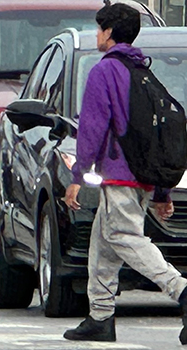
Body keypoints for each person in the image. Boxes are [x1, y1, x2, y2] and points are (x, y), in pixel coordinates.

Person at [62, 3, 187, 343]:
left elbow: (92, 127)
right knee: (103, 243)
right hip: (142, 173)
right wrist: (161, 192)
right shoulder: (142, 71)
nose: (97, 35)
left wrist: (77, 177)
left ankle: (182, 291)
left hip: (120, 172)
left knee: (124, 237)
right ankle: (100, 316)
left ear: (109, 33)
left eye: (100, 29)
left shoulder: (105, 72)